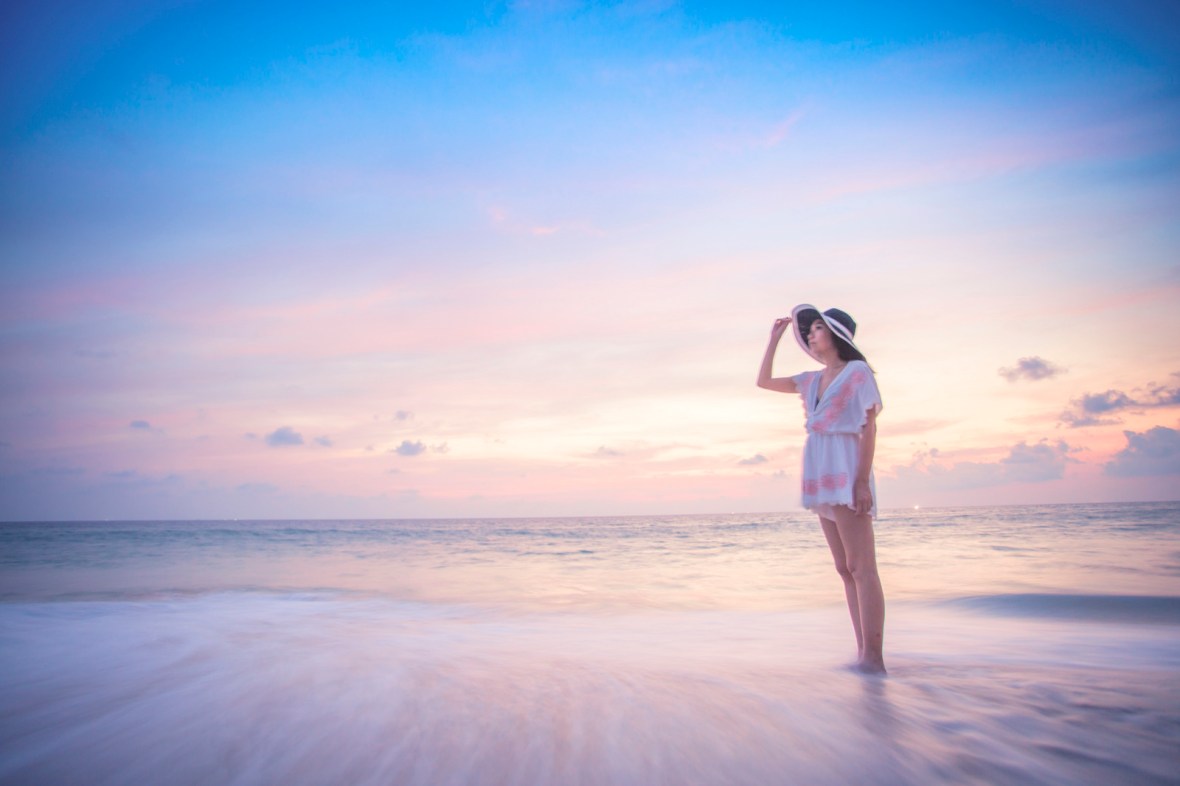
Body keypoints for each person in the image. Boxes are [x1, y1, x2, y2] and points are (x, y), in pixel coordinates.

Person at [756, 304, 886, 674]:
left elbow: (869, 427)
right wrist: (774, 340)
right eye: (808, 330)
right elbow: (764, 382)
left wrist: (861, 482)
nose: (810, 335)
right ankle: (862, 652)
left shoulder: (857, 373)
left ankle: (874, 659)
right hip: (822, 478)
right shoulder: (812, 380)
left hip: (847, 473)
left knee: (863, 568)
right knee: (844, 569)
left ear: (835, 334)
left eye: (816, 328)